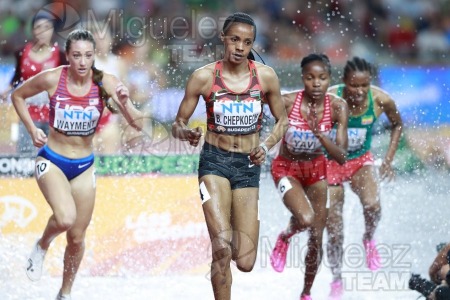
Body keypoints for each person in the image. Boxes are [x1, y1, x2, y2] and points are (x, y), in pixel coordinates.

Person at [11, 29, 144, 300]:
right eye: (77, 56)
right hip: (52, 160)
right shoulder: (52, 78)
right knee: (65, 218)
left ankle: (65, 293)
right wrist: (31, 128)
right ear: (67, 56)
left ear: (94, 56)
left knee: (77, 238)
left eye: (88, 56)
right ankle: (42, 245)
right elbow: (17, 96)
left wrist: (125, 101)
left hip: (84, 165)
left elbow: (138, 124)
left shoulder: (105, 82)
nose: (83, 62)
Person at [171, 12, 288, 300]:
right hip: (214, 162)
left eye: (247, 42)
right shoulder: (203, 77)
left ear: (251, 45)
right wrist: (186, 133)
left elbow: (282, 120)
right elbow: (177, 124)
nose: (239, 47)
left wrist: (267, 144)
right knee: (222, 247)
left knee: (245, 261)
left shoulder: (266, 77)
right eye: (234, 39)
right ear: (223, 38)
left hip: (248, 166)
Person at [269, 53, 349, 300]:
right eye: (311, 78)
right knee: (305, 219)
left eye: (322, 78)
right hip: (286, 169)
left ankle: (306, 293)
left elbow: (341, 156)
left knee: (317, 236)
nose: (316, 83)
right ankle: (285, 237)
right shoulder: (287, 102)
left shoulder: (337, 107)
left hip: (316, 172)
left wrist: (320, 134)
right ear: (302, 78)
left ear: (329, 79)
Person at [325, 56, 403, 299]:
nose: (359, 92)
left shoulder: (381, 99)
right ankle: (337, 278)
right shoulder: (328, 99)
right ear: (344, 82)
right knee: (335, 230)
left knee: (372, 204)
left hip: (360, 161)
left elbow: (397, 125)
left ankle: (368, 240)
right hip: (330, 163)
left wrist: (387, 160)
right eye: (353, 86)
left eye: (364, 86)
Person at [1, 12, 67, 155]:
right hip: (28, 114)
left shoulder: (60, 55)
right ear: (32, 31)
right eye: (38, 27)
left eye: (47, 27)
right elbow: (17, 78)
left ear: (52, 31)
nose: (42, 32)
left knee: (55, 155)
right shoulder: (21, 53)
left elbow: (67, 81)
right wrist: (6, 91)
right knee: (25, 155)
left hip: (53, 115)